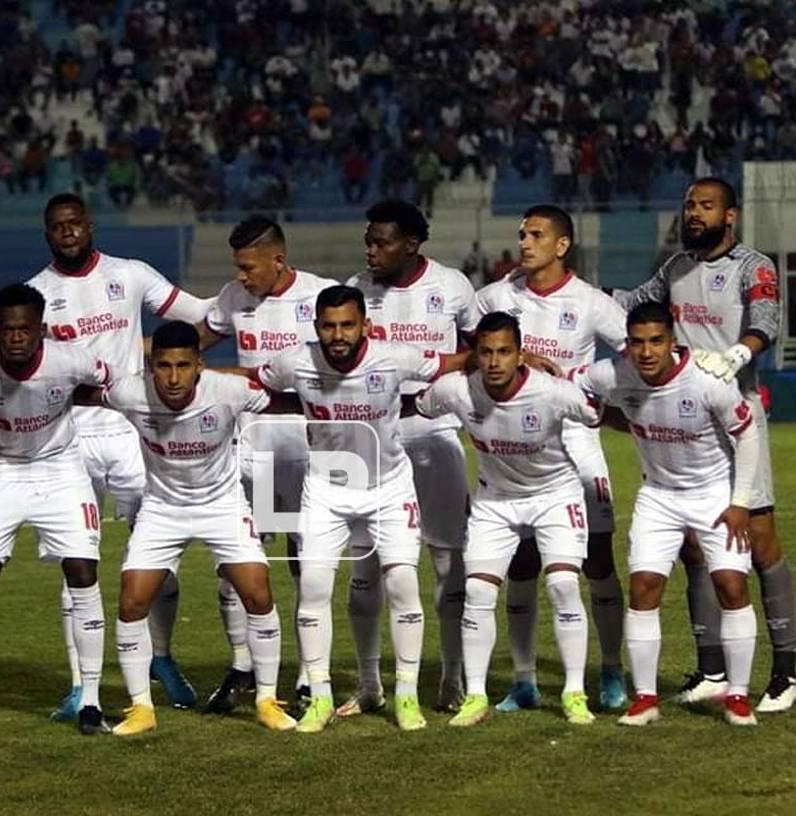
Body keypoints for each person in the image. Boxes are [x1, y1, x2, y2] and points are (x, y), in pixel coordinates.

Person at [27, 193, 215, 718]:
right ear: (48, 233)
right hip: (68, 442)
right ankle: (80, 685)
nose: (67, 232)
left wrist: (178, 368)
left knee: (159, 555)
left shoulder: (130, 275)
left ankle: (161, 657)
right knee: (76, 565)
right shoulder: (36, 295)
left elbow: (199, 315)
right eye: (57, 226)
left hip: (136, 434)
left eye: (74, 223)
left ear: (89, 225)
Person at [614, 177, 796, 713]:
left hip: (735, 409)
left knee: (758, 540)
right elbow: (632, 304)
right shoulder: (676, 268)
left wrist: (737, 356)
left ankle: (784, 673)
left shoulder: (752, 266)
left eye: (706, 205)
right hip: (684, 412)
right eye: (690, 204)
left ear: (730, 215)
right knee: (696, 544)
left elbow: (769, 321)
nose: (695, 213)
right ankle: (714, 668)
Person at [253, 285, 472, 733]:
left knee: (402, 583)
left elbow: (450, 364)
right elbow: (255, 382)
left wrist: (519, 359)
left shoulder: (395, 357)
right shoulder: (295, 361)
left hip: (388, 488)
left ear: (364, 326)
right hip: (326, 489)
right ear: (316, 329)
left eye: (347, 325)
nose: (338, 334)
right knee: (313, 586)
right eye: (329, 326)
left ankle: (406, 697)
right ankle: (320, 698)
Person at [75, 321, 298, 735]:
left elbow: (288, 401)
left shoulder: (227, 391)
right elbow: (77, 393)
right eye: (163, 366)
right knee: (131, 601)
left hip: (222, 505)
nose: (173, 377)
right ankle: (141, 707)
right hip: (162, 508)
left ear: (199, 364)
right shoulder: (129, 393)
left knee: (258, 591)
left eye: (182, 365)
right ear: (150, 366)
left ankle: (266, 699)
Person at [572, 301, 760, 727]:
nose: (646, 352)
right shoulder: (613, 374)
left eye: (656, 341)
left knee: (731, 586)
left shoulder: (708, 381)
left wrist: (740, 502)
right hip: (658, 496)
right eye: (636, 343)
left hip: (714, 494)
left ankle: (739, 696)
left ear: (673, 342)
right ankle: (645, 700)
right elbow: (572, 385)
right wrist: (602, 413)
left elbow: (747, 436)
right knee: (644, 588)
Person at [0, 283, 112, 740]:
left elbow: (106, 379)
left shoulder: (69, 358)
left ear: (42, 329)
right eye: (7, 329)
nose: (16, 338)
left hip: (62, 470)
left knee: (83, 571)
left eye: (25, 329)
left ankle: (91, 703)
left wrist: (80, 398)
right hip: (2, 471)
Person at [476, 204, 629, 713]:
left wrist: (595, 394)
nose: (524, 242)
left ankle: (610, 670)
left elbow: (638, 354)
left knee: (598, 562)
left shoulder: (589, 302)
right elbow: (466, 348)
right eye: (521, 234)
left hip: (578, 449)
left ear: (562, 246)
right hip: (516, 455)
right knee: (521, 567)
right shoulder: (496, 297)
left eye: (536, 235)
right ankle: (523, 680)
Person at [416, 311, 599, 727]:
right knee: (478, 593)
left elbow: (596, 413)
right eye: (486, 353)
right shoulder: (457, 390)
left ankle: (574, 692)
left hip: (555, 495)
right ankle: (476, 696)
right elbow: (422, 406)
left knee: (563, 584)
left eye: (504, 352)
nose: (495, 362)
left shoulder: (552, 392)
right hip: (495, 502)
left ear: (521, 355)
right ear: (475, 355)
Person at [342, 200, 480, 716]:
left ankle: (451, 676)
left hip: (434, 432)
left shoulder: (452, 287)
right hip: (370, 438)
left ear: (412, 244)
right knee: (366, 564)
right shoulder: (357, 290)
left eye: (382, 242)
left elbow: (479, 347)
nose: (371, 251)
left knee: (447, 557)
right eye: (369, 241)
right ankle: (370, 683)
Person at [194, 216, 337, 712]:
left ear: (278, 261)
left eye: (248, 267)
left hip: (305, 439)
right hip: (247, 443)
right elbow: (194, 343)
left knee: (305, 561)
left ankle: (304, 675)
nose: (241, 277)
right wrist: (135, 351)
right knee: (233, 558)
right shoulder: (234, 299)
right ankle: (242, 668)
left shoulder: (323, 297)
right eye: (237, 267)